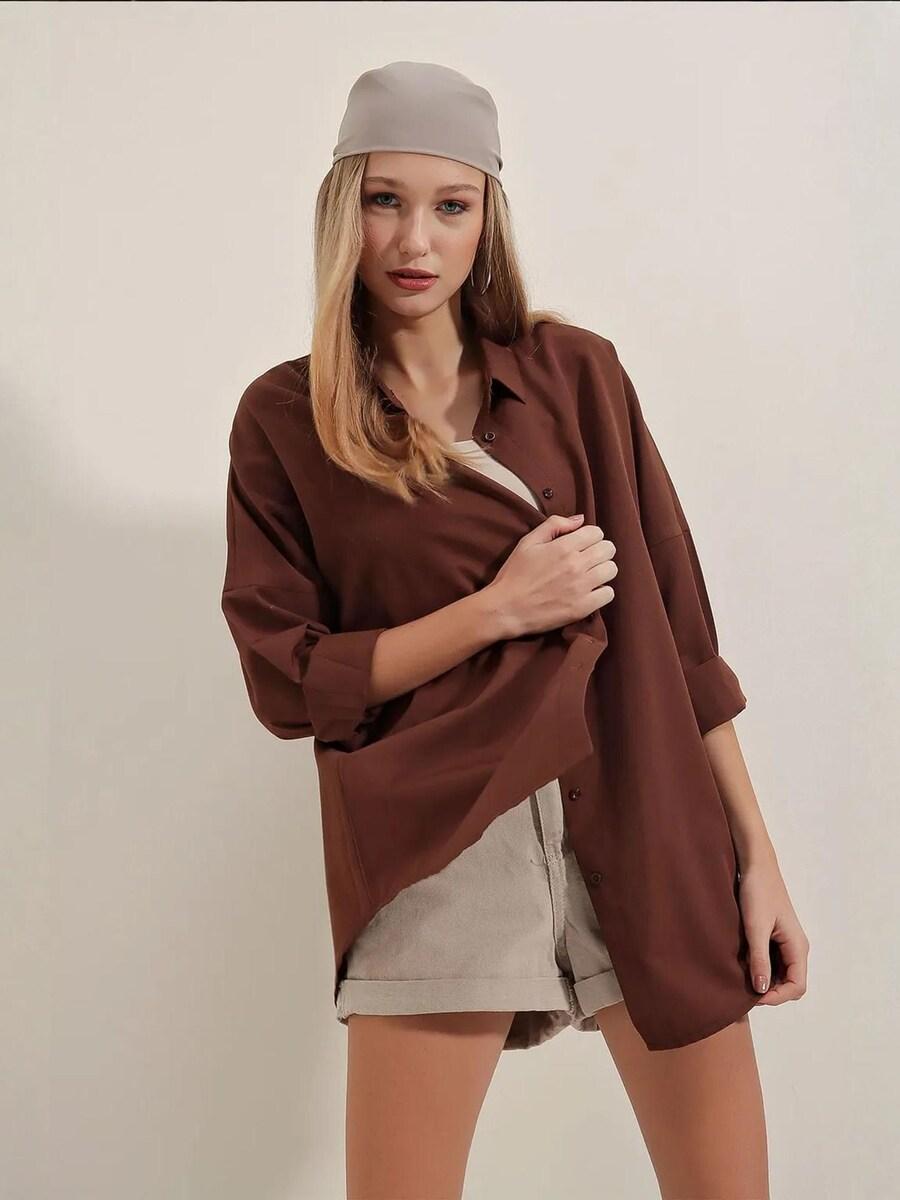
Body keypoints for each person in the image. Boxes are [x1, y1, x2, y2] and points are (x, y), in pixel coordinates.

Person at [221, 60, 808, 1200]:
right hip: (438, 844)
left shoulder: (577, 375)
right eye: (385, 199)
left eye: (452, 204)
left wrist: (757, 859)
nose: (416, 239)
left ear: (487, 217)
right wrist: (497, 610)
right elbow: (287, 680)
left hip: (642, 816)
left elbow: (683, 639)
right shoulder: (287, 420)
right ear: (342, 208)